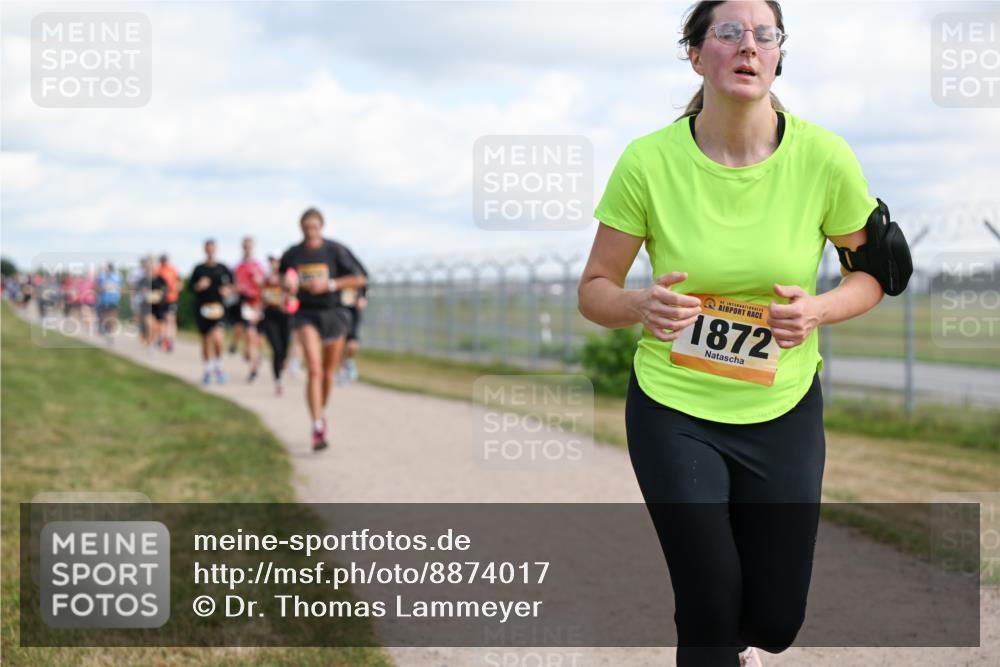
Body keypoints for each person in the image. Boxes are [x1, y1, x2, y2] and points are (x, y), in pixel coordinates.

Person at [577, 2, 905, 666]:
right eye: (728, 32)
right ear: (697, 56)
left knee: (775, 618)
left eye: (765, 35)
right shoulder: (648, 161)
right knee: (708, 600)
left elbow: (874, 276)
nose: (748, 46)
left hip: (781, 406)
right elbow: (594, 290)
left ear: (779, 56)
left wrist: (817, 310)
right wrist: (641, 305)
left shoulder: (822, 157)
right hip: (673, 406)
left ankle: (746, 644)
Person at [279, 208, 367, 451]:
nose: (311, 232)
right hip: (306, 315)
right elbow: (282, 278)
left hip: (334, 314)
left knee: (328, 372)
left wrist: (329, 284)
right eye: (306, 228)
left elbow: (360, 278)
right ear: (301, 228)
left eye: (314, 227)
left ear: (321, 227)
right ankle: (317, 425)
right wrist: (287, 285)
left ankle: (322, 411)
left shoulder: (335, 250)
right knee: (314, 370)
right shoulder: (293, 254)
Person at [189, 239, 235, 385]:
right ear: (205, 250)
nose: (210, 251)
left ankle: (219, 368)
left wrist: (228, 290)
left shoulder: (223, 268)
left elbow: (233, 285)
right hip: (203, 308)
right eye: (208, 249)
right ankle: (207, 370)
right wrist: (199, 286)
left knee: (218, 339)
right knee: (206, 341)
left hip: (218, 308)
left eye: (212, 248)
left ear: (215, 250)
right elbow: (191, 287)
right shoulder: (199, 269)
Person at [233, 237, 267, 383]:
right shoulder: (238, 266)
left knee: (257, 339)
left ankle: (254, 358)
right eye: (245, 246)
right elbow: (234, 286)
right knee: (250, 335)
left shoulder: (259, 266)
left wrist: (259, 282)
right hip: (245, 304)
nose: (247, 249)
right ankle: (253, 368)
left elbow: (266, 285)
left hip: (259, 304)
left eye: (249, 246)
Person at [260, 254, 293, 395]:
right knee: (276, 348)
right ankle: (278, 381)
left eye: (276, 261)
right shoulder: (265, 279)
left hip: (284, 317)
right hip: (269, 316)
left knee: (284, 350)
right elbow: (261, 297)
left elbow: (293, 293)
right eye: (272, 261)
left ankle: (282, 365)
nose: (274, 264)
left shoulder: (286, 279)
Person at [336, 248, 368, 384]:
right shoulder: (336, 269)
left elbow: (365, 284)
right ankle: (342, 369)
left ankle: (349, 362)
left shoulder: (358, 270)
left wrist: (363, 298)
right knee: (340, 341)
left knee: (352, 343)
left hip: (353, 310)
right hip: (338, 309)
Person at [157, 254, 180, 353]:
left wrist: (175, 288)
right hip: (161, 299)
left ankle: (170, 340)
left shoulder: (172, 269)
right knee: (163, 321)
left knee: (171, 319)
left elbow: (178, 282)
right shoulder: (158, 270)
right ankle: (163, 338)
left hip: (171, 298)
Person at [95, 262, 122, 343]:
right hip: (103, 300)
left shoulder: (117, 277)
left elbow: (121, 288)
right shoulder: (101, 277)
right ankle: (104, 329)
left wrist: (118, 294)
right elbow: (97, 287)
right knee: (104, 317)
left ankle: (110, 334)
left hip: (113, 300)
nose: (106, 270)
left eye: (107, 268)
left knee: (112, 318)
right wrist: (101, 289)